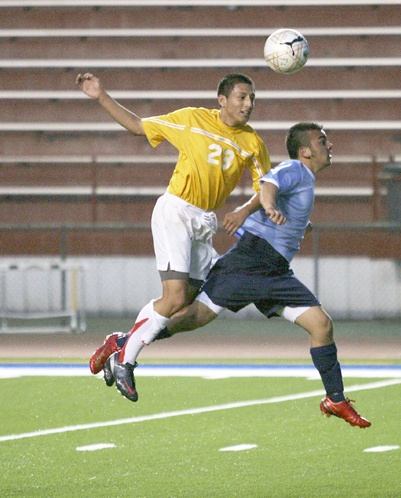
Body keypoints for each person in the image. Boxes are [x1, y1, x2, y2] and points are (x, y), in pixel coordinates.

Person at [99, 122, 371, 429]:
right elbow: (269, 185)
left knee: (321, 325)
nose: (329, 146)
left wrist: (293, 221)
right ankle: (123, 342)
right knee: (193, 317)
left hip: (275, 270)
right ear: (305, 151)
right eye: (322, 141)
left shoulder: (305, 179)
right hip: (249, 261)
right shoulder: (295, 168)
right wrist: (265, 205)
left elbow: (275, 196)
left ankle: (335, 399)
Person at [77, 72, 271, 386]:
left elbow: (266, 188)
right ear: (222, 100)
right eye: (242, 97)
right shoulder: (191, 119)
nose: (248, 104)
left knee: (185, 304)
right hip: (177, 211)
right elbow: (138, 126)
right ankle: (126, 360)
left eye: (252, 98)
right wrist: (101, 96)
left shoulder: (253, 142)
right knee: (174, 296)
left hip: (204, 221)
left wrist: (245, 209)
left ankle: (121, 342)